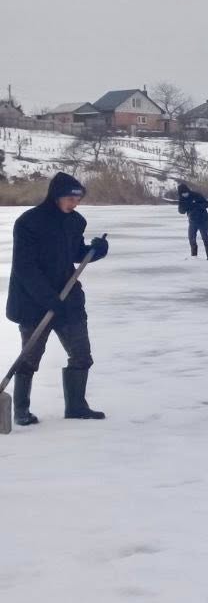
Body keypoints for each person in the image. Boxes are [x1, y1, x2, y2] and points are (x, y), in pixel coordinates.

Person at [6, 172, 110, 425]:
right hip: (33, 302)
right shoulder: (29, 222)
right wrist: (48, 298)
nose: (75, 204)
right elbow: (25, 267)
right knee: (29, 358)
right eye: (71, 199)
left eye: (78, 200)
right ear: (56, 196)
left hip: (69, 298)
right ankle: (21, 411)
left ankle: (76, 407)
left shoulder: (75, 221)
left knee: (82, 354)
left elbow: (75, 253)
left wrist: (94, 251)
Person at [176, 182, 208, 260]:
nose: (184, 194)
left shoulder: (196, 195)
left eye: (185, 192)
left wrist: (197, 206)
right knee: (191, 237)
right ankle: (194, 256)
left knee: (205, 237)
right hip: (192, 221)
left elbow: (207, 204)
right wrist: (186, 207)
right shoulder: (182, 199)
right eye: (183, 193)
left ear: (188, 190)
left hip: (203, 220)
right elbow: (181, 211)